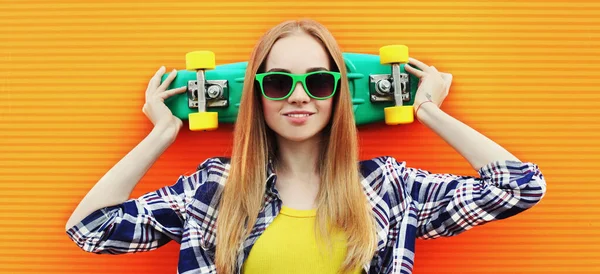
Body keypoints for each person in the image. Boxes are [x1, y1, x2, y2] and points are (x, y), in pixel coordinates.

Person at [65, 19, 547, 274]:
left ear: (339, 93)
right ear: (257, 97)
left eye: (319, 81)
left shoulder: (389, 188)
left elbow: (520, 187)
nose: (299, 95)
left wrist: (429, 113)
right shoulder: (216, 189)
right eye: (277, 83)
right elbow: (89, 230)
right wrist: (162, 135)